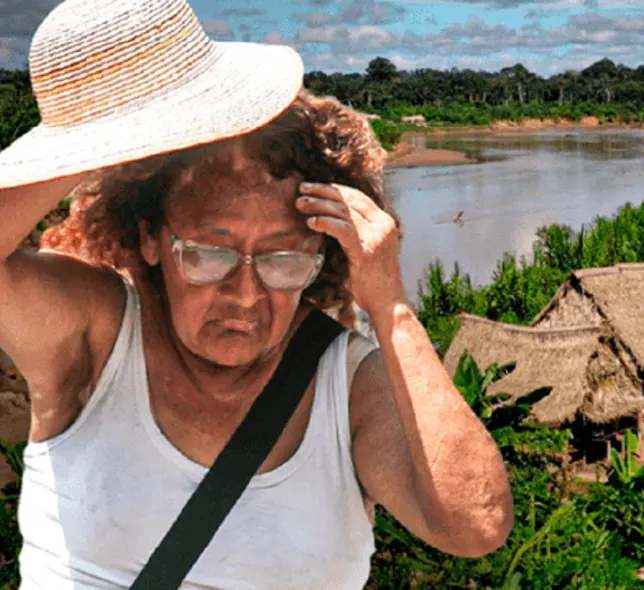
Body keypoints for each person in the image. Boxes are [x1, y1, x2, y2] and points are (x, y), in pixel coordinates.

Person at [0, 0, 513, 587]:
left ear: (326, 255)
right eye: (208, 254)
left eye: (282, 260)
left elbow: (474, 525)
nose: (245, 294)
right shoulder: (95, 332)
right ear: (148, 239)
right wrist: (113, 131)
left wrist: (390, 305)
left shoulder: (345, 383)